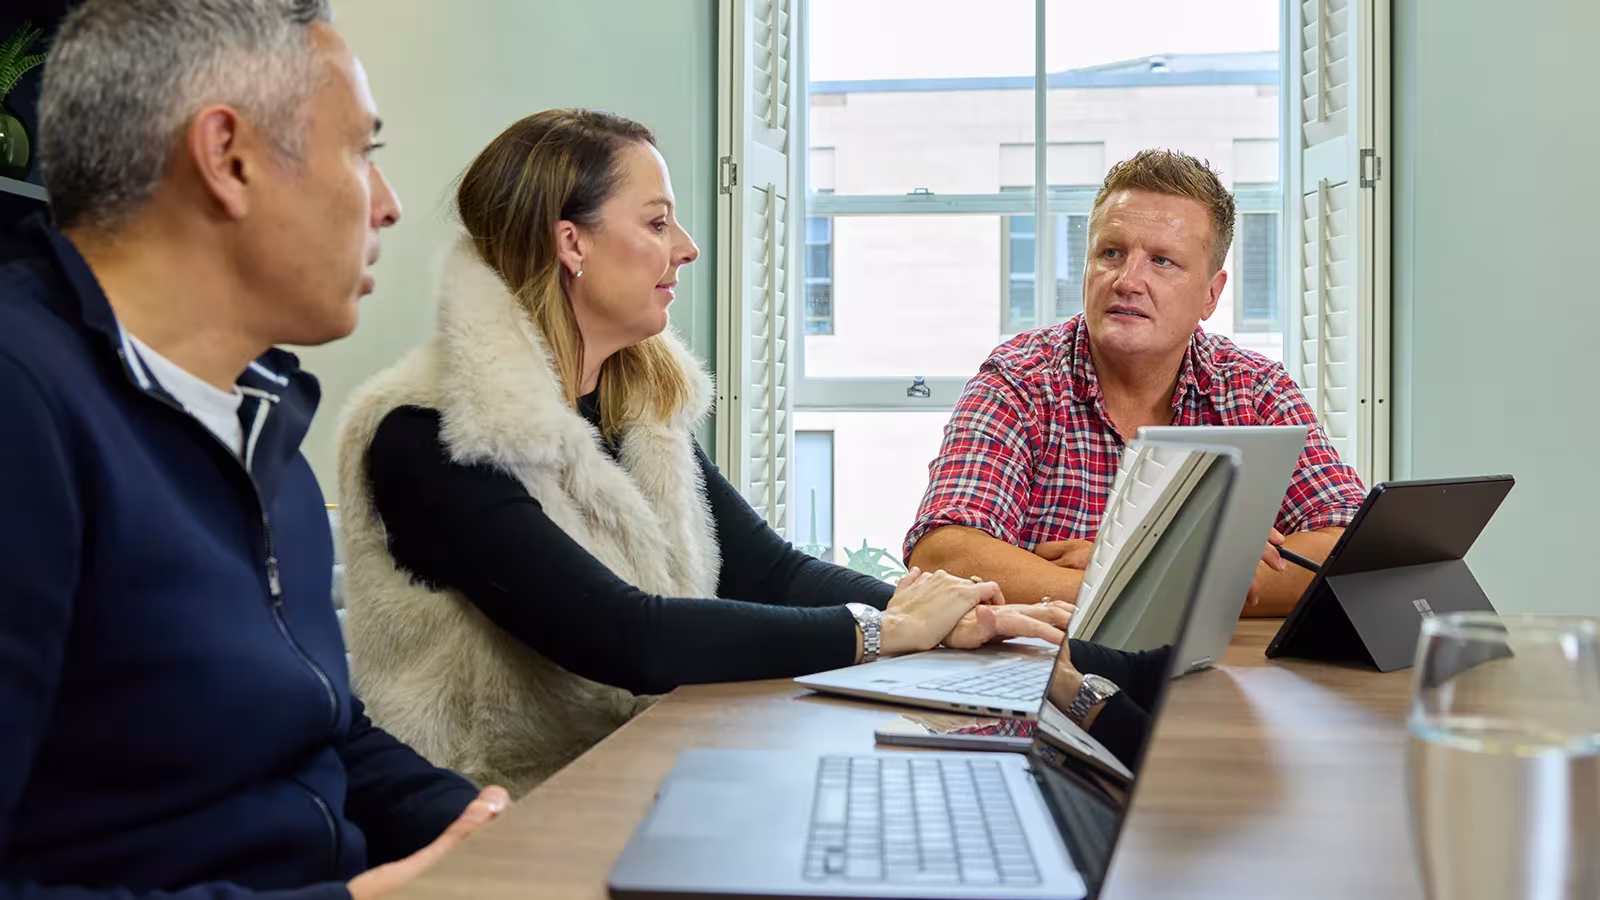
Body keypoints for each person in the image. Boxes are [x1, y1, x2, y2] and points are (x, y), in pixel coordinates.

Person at [335, 108, 1078, 797]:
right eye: (657, 223)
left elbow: (770, 571)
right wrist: (888, 629)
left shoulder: (631, 407)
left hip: (631, 769)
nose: (685, 248)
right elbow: (631, 638)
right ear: (572, 244)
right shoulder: (432, 432)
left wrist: (942, 616)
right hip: (497, 810)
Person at [0, 1, 510, 896]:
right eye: (363, 152)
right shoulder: (23, 406)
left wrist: (494, 830)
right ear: (228, 159)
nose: (387, 205)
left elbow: (318, 731)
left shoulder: (261, 417)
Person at [906, 149, 1366, 617]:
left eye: (1162, 261)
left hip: (1217, 678)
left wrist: (1131, 568)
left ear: (1211, 293)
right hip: (1045, 677)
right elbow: (944, 555)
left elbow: (1349, 554)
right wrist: (1201, 572)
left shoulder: (1255, 389)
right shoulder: (1020, 379)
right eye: (1111, 253)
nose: (1127, 280)